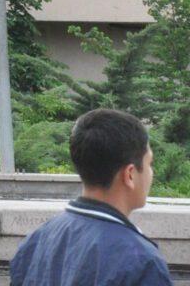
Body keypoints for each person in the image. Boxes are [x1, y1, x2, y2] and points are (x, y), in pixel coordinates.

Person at [10, 108, 171, 285]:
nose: (151, 172)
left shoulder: (35, 242)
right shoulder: (141, 263)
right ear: (130, 174)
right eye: (149, 163)